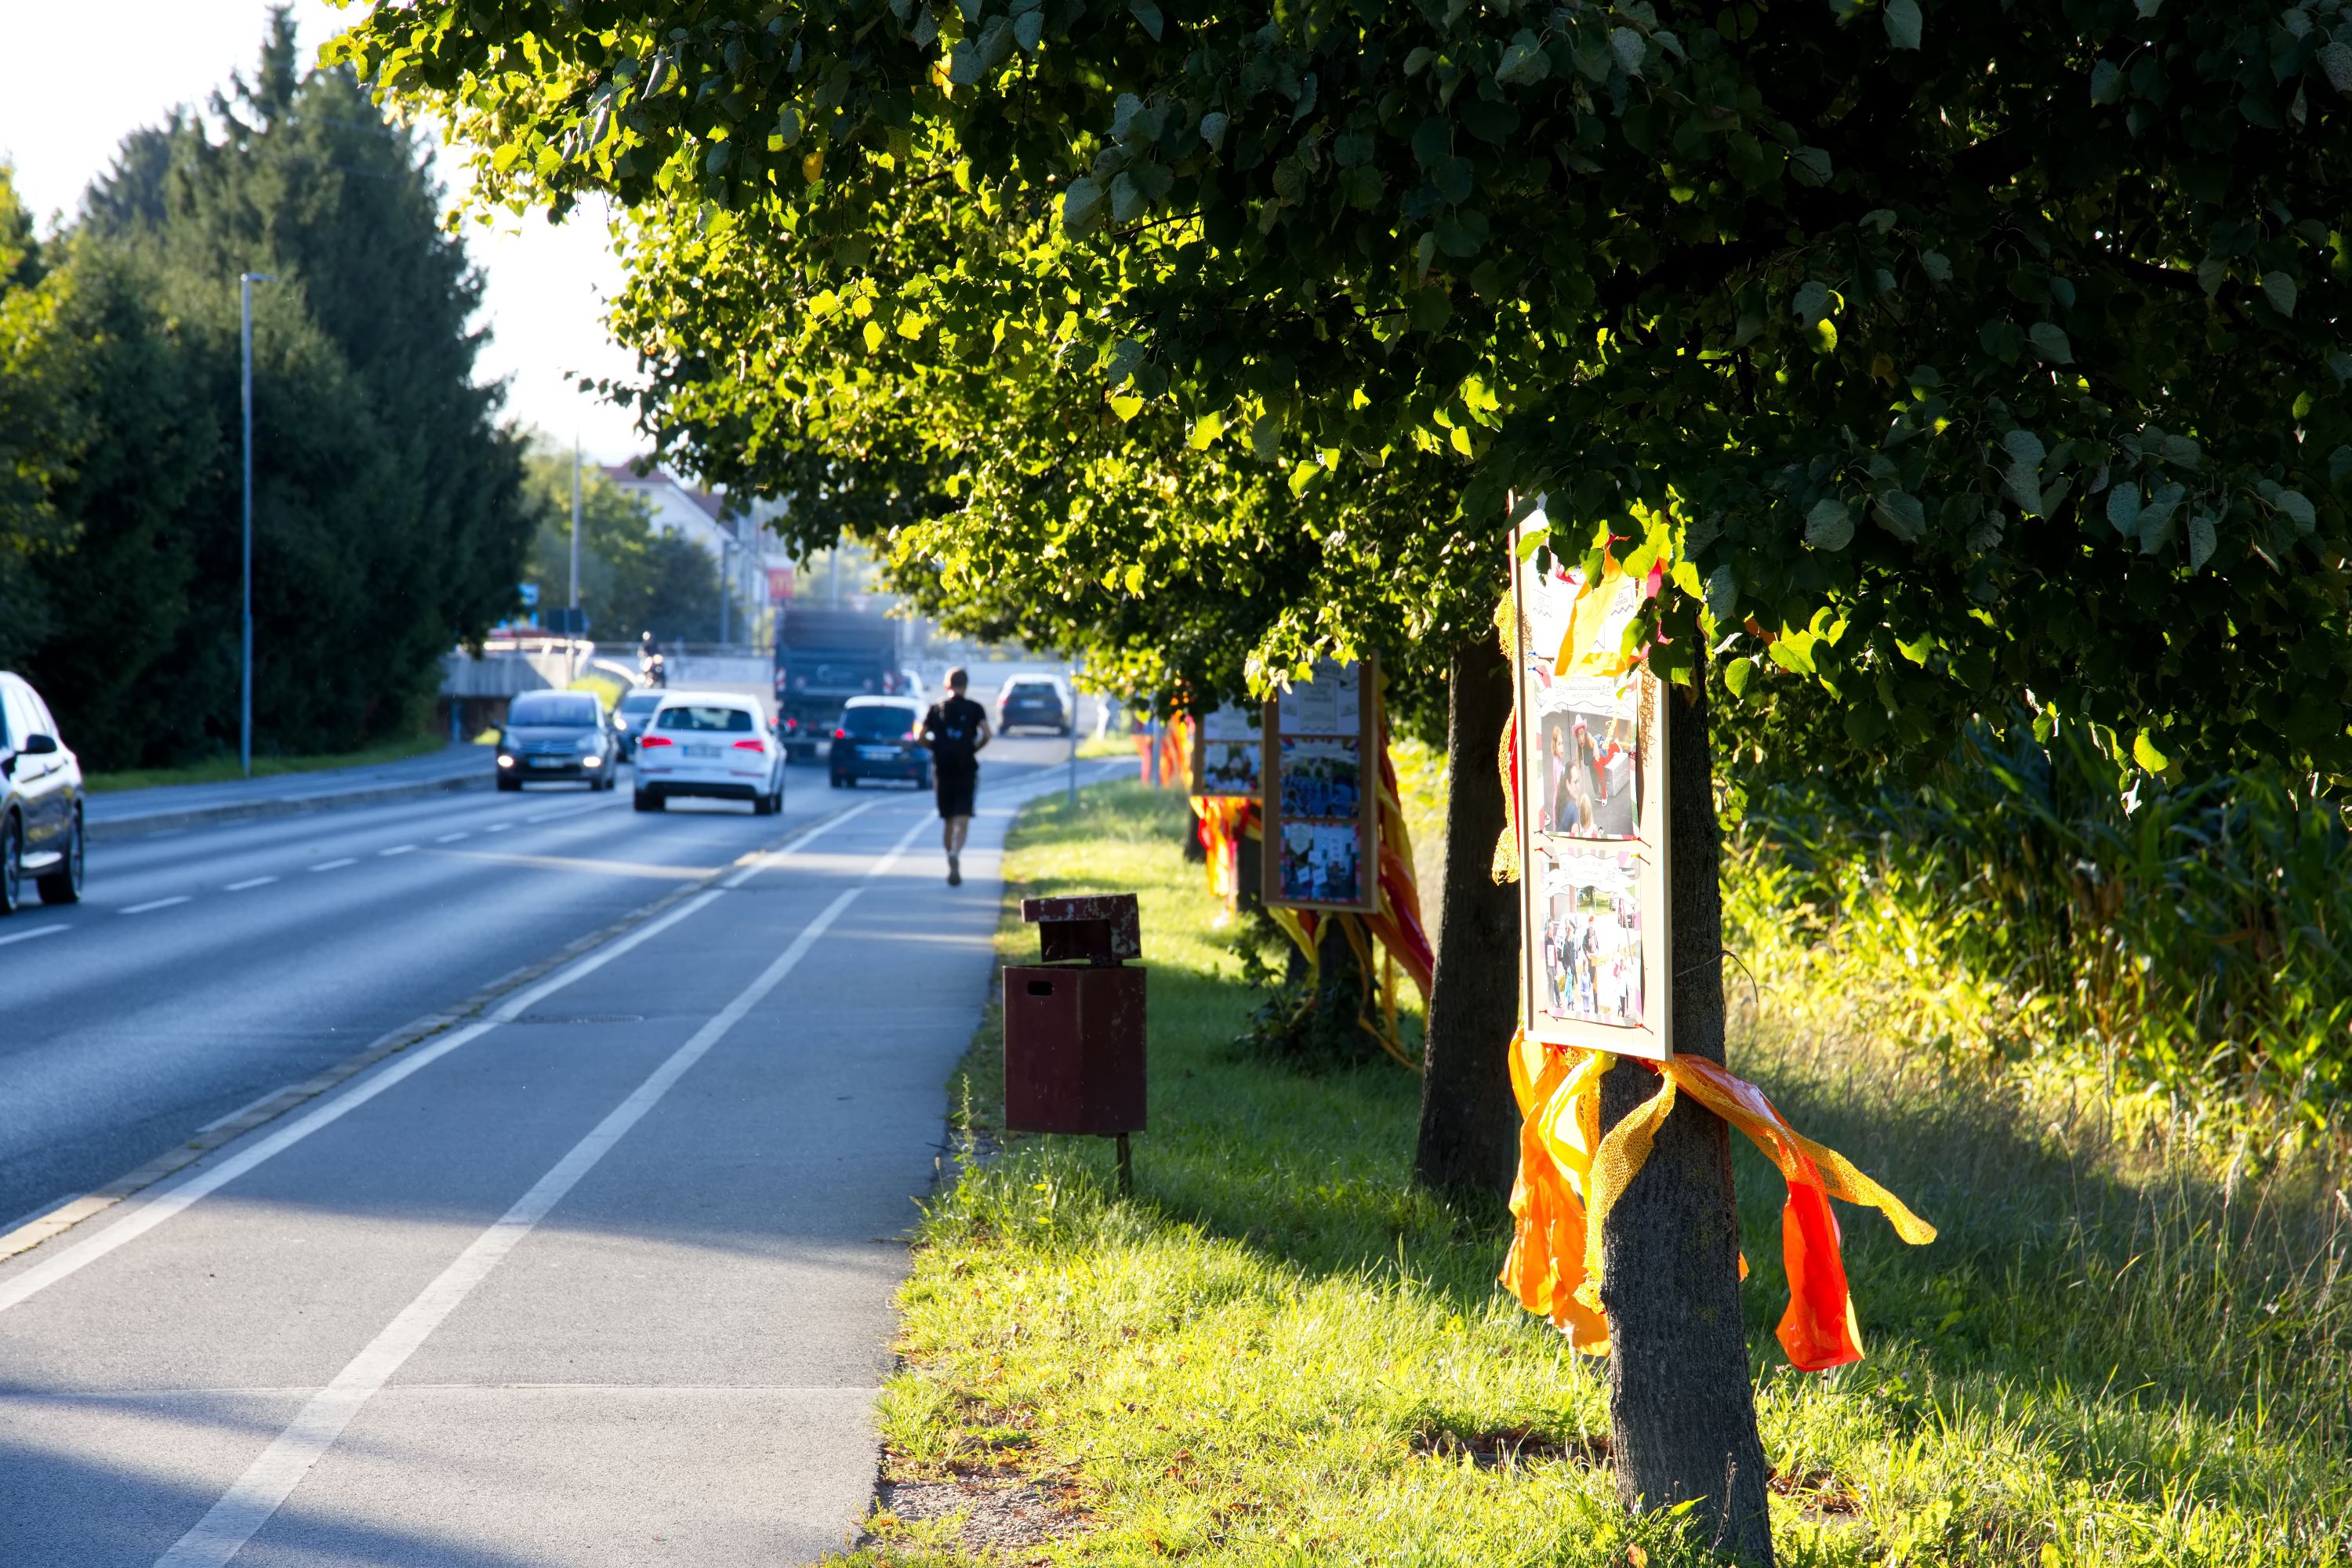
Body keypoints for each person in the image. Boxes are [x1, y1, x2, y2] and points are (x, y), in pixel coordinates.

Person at [920, 667, 992, 885]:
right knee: (963, 819)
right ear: (966, 685)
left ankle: (948, 853)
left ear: (947, 685)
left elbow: (920, 735)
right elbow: (987, 734)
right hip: (966, 770)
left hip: (943, 770)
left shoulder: (935, 709)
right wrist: (974, 748)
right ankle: (956, 853)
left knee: (948, 820)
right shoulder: (975, 708)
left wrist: (934, 748)